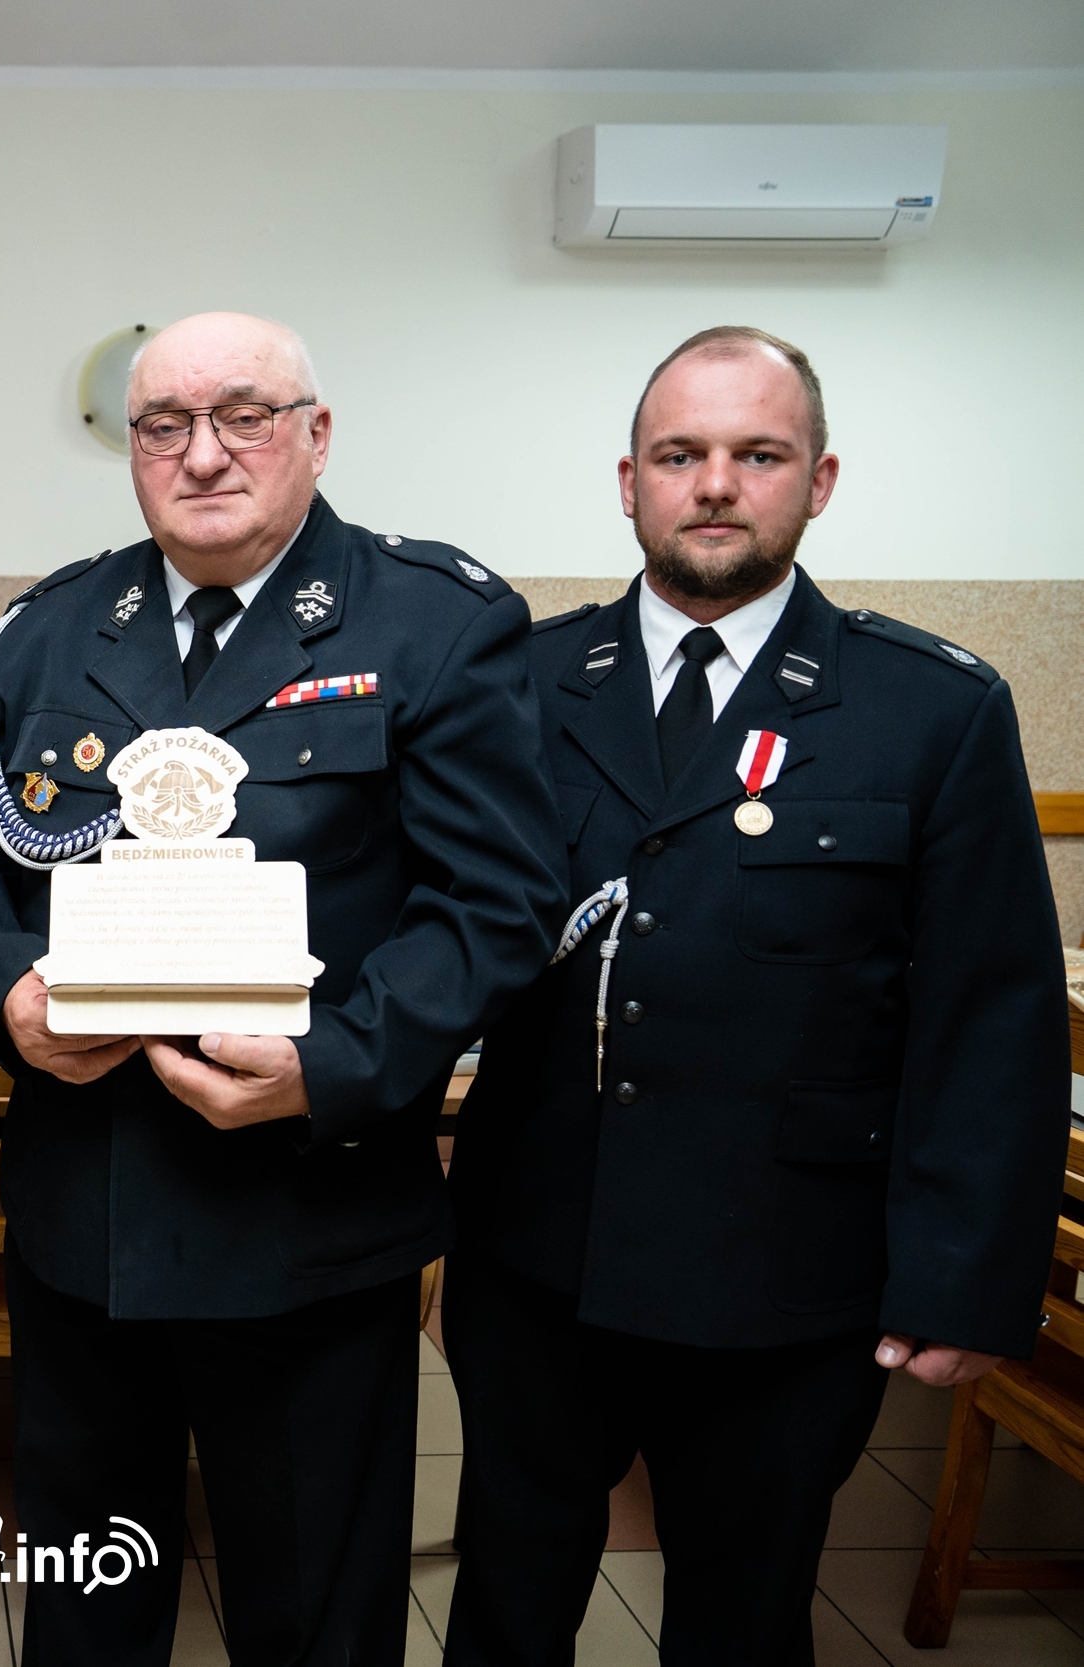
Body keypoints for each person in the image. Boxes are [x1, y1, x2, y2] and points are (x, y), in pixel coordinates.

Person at [0, 311, 568, 1665]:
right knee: (86, 1609)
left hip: (307, 1223)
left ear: (315, 433)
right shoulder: (54, 626)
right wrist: (12, 995)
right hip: (88, 1217)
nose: (203, 453)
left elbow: (498, 903)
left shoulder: (434, 621)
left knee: (312, 1610)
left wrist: (334, 1059)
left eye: (243, 413)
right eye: (163, 424)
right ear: (130, 450)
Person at [442, 326, 1071, 1663]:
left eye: (757, 453)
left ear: (819, 480)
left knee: (743, 1619)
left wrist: (964, 1276)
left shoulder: (930, 709)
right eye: (682, 454)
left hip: (787, 1277)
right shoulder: (518, 684)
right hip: (537, 1255)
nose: (716, 482)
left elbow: (990, 1013)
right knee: (505, 1607)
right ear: (629, 481)